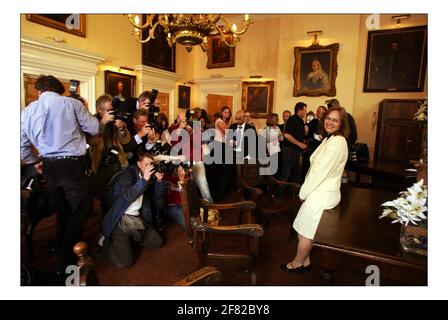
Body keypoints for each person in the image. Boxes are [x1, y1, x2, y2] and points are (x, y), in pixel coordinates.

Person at [20, 75, 99, 277]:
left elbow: (22, 145)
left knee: (63, 212)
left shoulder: (28, 110)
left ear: (39, 92)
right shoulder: (71, 103)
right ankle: (65, 266)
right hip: (73, 166)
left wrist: (35, 161)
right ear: (59, 89)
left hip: (48, 166)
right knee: (78, 213)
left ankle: (62, 251)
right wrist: (86, 112)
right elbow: (95, 128)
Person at [281, 106, 349, 272]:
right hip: (319, 189)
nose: (330, 122)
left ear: (341, 124)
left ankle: (297, 264)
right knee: (301, 226)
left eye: (335, 120)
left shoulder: (338, 142)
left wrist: (303, 193)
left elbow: (320, 172)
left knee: (305, 231)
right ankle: (305, 260)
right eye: (328, 118)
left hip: (322, 192)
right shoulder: (330, 139)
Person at [101, 150, 165, 268]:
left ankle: (131, 239)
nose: (150, 167)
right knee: (126, 262)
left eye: (152, 164)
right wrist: (144, 180)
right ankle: (105, 243)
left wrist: (159, 182)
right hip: (119, 220)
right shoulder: (126, 175)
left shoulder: (149, 177)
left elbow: (156, 200)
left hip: (136, 218)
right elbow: (129, 196)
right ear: (139, 164)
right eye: (147, 164)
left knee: (157, 242)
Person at [88, 94, 131, 216]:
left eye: (112, 110)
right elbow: (92, 141)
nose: (111, 113)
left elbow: (125, 141)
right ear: (100, 110)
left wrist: (122, 128)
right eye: (108, 110)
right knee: (103, 195)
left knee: (117, 192)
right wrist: (102, 123)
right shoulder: (92, 121)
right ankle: (105, 222)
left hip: (116, 160)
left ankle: (116, 220)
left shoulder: (116, 119)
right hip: (100, 163)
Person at [279, 102, 307, 184]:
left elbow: (299, 135)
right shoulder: (292, 119)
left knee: (295, 174)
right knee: (285, 174)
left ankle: (293, 195)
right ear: (299, 110)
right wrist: (300, 144)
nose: (306, 112)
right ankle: (277, 194)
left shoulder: (301, 121)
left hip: (296, 151)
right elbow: (287, 135)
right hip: (289, 150)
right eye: (305, 110)